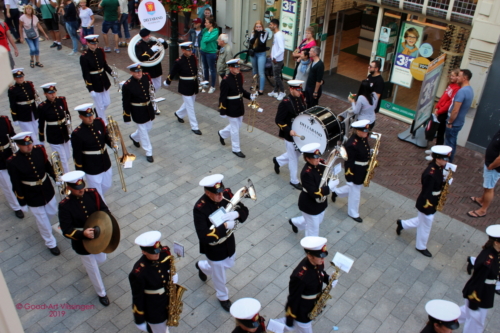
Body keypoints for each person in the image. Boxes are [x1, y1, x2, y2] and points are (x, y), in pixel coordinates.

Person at [193, 173, 249, 312]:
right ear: (207, 192)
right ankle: (222, 296)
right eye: (216, 193)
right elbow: (204, 236)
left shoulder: (226, 194)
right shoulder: (200, 208)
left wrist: (235, 214)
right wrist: (224, 227)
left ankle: (202, 266)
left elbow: (244, 210)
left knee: (229, 263)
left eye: (221, 191)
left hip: (229, 243)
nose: (220, 196)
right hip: (214, 248)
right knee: (219, 275)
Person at [58, 170, 111, 307]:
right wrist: (82, 234)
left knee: (102, 259)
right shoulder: (65, 206)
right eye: (77, 189)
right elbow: (66, 230)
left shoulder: (92, 193)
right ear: (69, 188)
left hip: (98, 237)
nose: (81, 190)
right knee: (93, 269)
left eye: (82, 187)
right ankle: (101, 293)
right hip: (82, 243)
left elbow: (104, 210)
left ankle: (89, 269)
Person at [6, 132, 60, 256]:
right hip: (31, 194)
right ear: (19, 145)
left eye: (30, 143)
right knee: (43, 221)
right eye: (25, 145)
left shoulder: (39, 150)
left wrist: (55, 177)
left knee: (51, 211)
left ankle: (43, 225)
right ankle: (50, 242)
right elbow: (16, 183)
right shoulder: (13, 162)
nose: (29, 146)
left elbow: (47, 166)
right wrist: (22, 202)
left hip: (46, 188)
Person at [396, 145, 452, 257]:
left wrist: (445, 181)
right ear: (437, 158)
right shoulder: (430, 174)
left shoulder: (439, 168)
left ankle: (403, 224)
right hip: (428, 203)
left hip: (432, 200)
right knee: (426, 224)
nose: (446, 162)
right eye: (444, 159)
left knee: (422, 220)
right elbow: (427, 193)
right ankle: (421, 246)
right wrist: (429, 208)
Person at [275, 236, 335, 332]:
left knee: (291, 327)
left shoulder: (318, 262)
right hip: (302, 312)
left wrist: (328, 279)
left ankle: (277, 326)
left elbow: (321, 272)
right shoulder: (300, 277)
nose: (323, 259)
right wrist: (290, 318)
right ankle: (281, 324)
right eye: (320, 256)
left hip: (312, 304)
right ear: (310, 256)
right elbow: (293, 298)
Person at [129, 230, 177, 333]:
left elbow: (169, 265)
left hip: (168, 298)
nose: (158, 254)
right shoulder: (138, 273)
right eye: (154, 253)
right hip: (154, 308)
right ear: (144, 251)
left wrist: (173, 275)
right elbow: (138, 297)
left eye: (158, 250)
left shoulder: (164, 252)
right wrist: (139, 319)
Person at [289, 143, 338, 237]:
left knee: (317, 221)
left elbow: (325, 173)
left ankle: (295, 222)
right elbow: (314, 193)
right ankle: (310, 249)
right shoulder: (306, 173)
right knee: (313, 230)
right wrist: (329, 188)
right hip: (310, 204)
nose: (318, 159)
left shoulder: (318, 164)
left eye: (318, 156)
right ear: (307, 158)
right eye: (315, 157)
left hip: (320, 202)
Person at [458, 224, 500, 332]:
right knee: (476, 323)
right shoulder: (487, 262)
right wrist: (473, 303)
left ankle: (447, 318)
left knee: (468, 314)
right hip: (479, 295)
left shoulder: (494, 252)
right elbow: (477, 283)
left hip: (486, 291)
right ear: (496, 242)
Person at [332, 120, 371, 223]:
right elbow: (349, 162)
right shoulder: (352, 144)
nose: (366, 133)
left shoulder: (362, 138)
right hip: (355, 171)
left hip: (363, 168)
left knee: (355, 188)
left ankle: (336, 192)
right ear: (357, 131)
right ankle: (353, 212)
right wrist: (349, 177)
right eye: (364, 131)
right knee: (355, 193)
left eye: (367, 131)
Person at [71, 103, 113, 200]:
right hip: (91, 167)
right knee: (97, 191)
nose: (90, 118)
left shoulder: (98, 123)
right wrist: (80, 173)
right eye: (87, 116)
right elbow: (77, 155)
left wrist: (112, 144)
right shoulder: (77, 134)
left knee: (107, 185)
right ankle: (104, 210)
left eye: (91, 115)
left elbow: (105, 137)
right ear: (80, 117)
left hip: (105, 162)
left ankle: (96, 199)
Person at [273, 80, 307, 191]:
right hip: (290, 135)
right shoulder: (285, 103)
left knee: (296, 155)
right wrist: (288, 130)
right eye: (297, 90)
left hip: (298, 133)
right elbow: (278, 120)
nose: (300, 92)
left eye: (300, 89)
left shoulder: (300, 99)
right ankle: (294, 180)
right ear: (291, 89)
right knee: (294, 158)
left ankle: (278, 161)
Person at [164, 42, 202, 135]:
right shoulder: (179, 61)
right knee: (190, 106)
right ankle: (194, 126)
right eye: (188, 50)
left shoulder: (193, 57)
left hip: (193, 84)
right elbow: (172, 72)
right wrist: (168, 81)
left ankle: (179, 114)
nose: (190, 51)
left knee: (190, 102)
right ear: (183, 50)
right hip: (185, 85)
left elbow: (195, 70)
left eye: (190, 49)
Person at [218, 59, 253, 158]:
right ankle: (236, 149)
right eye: (236, 67)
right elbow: (223, 97)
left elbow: (240, 90)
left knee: (238, 125)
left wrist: (250, 96)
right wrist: (223, 110)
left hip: (239, 105)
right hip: (231, 107)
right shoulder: (226, 80)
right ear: (230, 68)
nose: (238, 68)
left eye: (238, 66)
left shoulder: (238, 76)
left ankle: (222, 133)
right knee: (235, 129)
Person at [122, 63, 156, 163]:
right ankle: (148, 151)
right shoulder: (128, 85)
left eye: (140, 71)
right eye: (136, 72)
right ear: (131, 72)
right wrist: (126, 116)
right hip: (137, 110)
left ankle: (134, 137)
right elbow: (126, 101)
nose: (139, 73)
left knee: (148, 127)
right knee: (143, 131)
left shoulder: (145, 77)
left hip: (148, 108)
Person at [37, 83, 72, 173]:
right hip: (54, 135)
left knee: (68, 155)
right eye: (50, 93)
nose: (53, 95)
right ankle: (68, 180)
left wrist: (69, 126)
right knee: (63, 160)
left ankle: (60, 169)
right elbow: (41, 123)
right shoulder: (42, 107)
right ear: (45, 94)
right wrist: (41, 139)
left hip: (65, 133)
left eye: (54, 92)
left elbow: (67, 114)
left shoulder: (62, 100)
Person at [79, 35, 113, 124]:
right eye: (92, 44)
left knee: (107, 102)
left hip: (104, 80)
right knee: (100, 105)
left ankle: (98, 112)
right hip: (94, 81)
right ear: (88, 43)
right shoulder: (84, 56)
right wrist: (90, 88)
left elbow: (104, 64)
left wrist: (111, 72)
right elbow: (85, 74)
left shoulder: (100, 51)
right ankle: (103, 122)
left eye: (96, 43)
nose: (95, 45)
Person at [468, 128, 500, 218]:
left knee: (489, 188)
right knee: (487, 185)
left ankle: (483, 210)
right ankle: (482, 200)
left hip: (494, 168)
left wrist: (491, 166)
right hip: (490, 164)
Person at [444, 69, 474, 163]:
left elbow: (455, 110)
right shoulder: (470, 90)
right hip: (459, 122)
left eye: (459, 76)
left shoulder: (462, 92)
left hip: (454, 123)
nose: (457, 77)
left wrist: (450, 122)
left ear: (464, 78)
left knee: (449, 144)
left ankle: (447, 163)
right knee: (452, 142)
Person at [8, 68, 40, 144]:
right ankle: (35, 147)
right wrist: (15, 118)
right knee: (30, 134)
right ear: (14, 78)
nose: (21, 78)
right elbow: (12, 105)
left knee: (36, 131)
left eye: (22, 76)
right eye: (18, 77)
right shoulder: (13, 90)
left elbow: (34, 97)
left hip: (33, 112)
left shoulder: (29, 84)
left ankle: (34, 145)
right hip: (22, 115)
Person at [135, 28, 169, 101]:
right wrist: (151, 51)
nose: (147, 37)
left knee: (158, 85)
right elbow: (140, 57)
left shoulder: (154, 41)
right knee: (149, 86)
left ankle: (150, 97)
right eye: (144, 37)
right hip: (147, 69)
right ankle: (150, 99)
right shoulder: (139, 45)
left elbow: (165, 47)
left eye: (147, 36)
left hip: (156, 67)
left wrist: (163, 42)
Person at [0, 116, 24, 218]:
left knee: (16, 179)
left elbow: (12, 134)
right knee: (7, 185)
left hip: (9, 154)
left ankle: (22, 197)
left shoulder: (4, 120)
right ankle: (16, 207)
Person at [433, 69, 460, 145]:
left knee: (440, 132)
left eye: (453, 76)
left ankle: (437, 153)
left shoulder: (457, 89)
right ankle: (435, 150)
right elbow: (443, 97)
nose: (451, 77)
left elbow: (449, 103)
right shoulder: (451, 85)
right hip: (440, 110)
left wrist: (439, 111)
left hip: (444, 113)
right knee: (438, 131)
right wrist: (437, 107)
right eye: (451, 75)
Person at [200, 17, 219, 93]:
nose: (205, 24)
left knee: (212, 69)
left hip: (210, 53)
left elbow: (206, 40)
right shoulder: (205, 30)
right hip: (203, 51)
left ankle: (213, 86)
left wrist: (208, 33)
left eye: (206, 22)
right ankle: (206, 82)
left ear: (211, 24)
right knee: (205, 68)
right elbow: (202, 38)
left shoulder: (215, 31)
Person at [249, 20, 268, 95]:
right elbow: (251, 42)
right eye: (257, 27)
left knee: (261, 72)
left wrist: (259, 34)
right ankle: (255, 84)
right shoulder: (253, 32)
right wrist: (256, 34)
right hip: (254, 53)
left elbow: (261, 43)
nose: (258, 28)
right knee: (254, 70)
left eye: (260, 26)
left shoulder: (265, 32)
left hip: (261, 54)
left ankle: (261, 90)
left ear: (262, 27)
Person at [268, 18, 285, 100]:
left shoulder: (279, 35)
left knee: (277, 77)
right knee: (276, 76)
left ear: (275, 25)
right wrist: (271, 55)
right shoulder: (276, 35)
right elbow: (275, 47)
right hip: (274, 59)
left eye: (271, 25)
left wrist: (275, 57)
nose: (269, 26)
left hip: (277, 60)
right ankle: (275, 91)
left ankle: (282, 91)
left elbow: (282, 49)